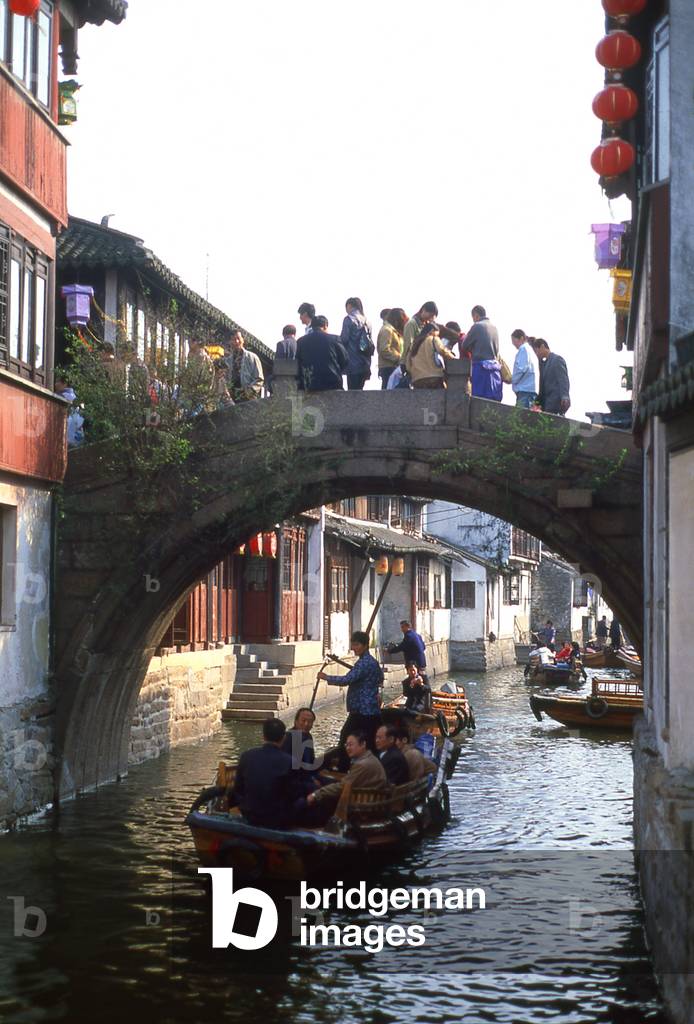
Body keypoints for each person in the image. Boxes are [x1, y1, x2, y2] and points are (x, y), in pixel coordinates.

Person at [230, 718, 307, 829]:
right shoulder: (291, 762)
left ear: (264, 736)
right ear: (283, 738)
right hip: (277, 819)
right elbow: (294, 794)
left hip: (249, 814)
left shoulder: (246, 756)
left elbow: (238, 788)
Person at [316, 630, 383, 756]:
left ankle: (344, 765)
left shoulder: (364, 663)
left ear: (365, 646)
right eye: (353, 644)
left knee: (346, 737)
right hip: (368, 709)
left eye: (357, 645)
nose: (353, 648)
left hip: (363, 710)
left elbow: (347, 680)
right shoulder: (371, 662)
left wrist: (326, 677)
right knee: (367, 739)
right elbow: (380, 678)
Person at [304, 731, 386, 815]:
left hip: (361, 808)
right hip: (370, 804)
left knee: (307, 802)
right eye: (346, 745)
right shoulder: (371, 759)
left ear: (363, 744)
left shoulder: (362, 765)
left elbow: (342, 787)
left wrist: (315, 795)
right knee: (322, 780)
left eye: (351, 745)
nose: (348, 748)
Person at [296, 315, 348, 391]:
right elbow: (345, 360)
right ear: (325, 326)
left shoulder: (301, 341)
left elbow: (298, 362)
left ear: (312, 327)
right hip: (332, 383)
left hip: (309, 384)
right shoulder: (335, 339)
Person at [465, 305, 502, 401]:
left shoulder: (477, 326)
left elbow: (464, 345)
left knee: (479, 401)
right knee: (493, 401)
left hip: (481, 369)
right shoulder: (495, 328)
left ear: (476, 316)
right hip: (494, 370)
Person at [405, 323, 456, 389]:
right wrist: (453, 357)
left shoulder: (414, 344)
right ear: (432, 330)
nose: (438, 336)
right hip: (434, 377)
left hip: (417, 380)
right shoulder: (433, 339)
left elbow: (408, 366)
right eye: (437, 333)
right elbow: (442, 351)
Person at [340, 297, 374, 390]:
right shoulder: (367, 321)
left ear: (349, 306)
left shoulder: (348, 319)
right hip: (365, 362)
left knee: (352, 393)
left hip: (352, 362)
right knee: (360, 392)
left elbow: (344, 339)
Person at [532, 338, 571, 415]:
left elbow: (563, 379)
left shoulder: (557, 360)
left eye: (537, 351)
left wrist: (565, 396)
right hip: (547, 404)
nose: (537, 354)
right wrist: (536, 403)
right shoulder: (544, 364)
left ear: (542, 346)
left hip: (556, 402)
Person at [224, 330, 264, 401]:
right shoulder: (227, 361)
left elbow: (259, 379)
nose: (236, 341)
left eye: (238, 338)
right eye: (233, 339)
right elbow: (225, 380)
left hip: (249, 398)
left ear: (243, 340)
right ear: (230, 342)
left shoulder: (253, 357)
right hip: (231, 399)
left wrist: (249, 392)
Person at [377, 308, 407, 389]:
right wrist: (399, 358)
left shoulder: (394, 331)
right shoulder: (387, 330)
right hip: (388, 367)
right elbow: (384, 350)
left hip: (394, 367)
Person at [510, 329, 537, 409]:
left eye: (514, 341)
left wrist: (513, 379)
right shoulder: (530, 350)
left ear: (521, 338)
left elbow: (521, 369)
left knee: (521, 418)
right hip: (531, 391)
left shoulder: (523, 349)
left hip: (524, 391)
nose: (514, 344)